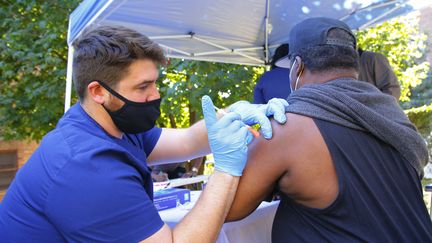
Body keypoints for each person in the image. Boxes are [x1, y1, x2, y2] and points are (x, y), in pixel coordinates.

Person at [0, 25, 289, 242]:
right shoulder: (87, 166)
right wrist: (225, 171)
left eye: (155, 83)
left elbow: (188, 141)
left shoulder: (110, 124)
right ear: (98, 91)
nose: (155, 94)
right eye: (142, 87)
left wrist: (233, 113)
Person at [226, 17, 432, 242]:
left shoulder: (288, 129)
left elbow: (225, 209)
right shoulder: (393, 119)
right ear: (354, 66)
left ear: (297, 66)